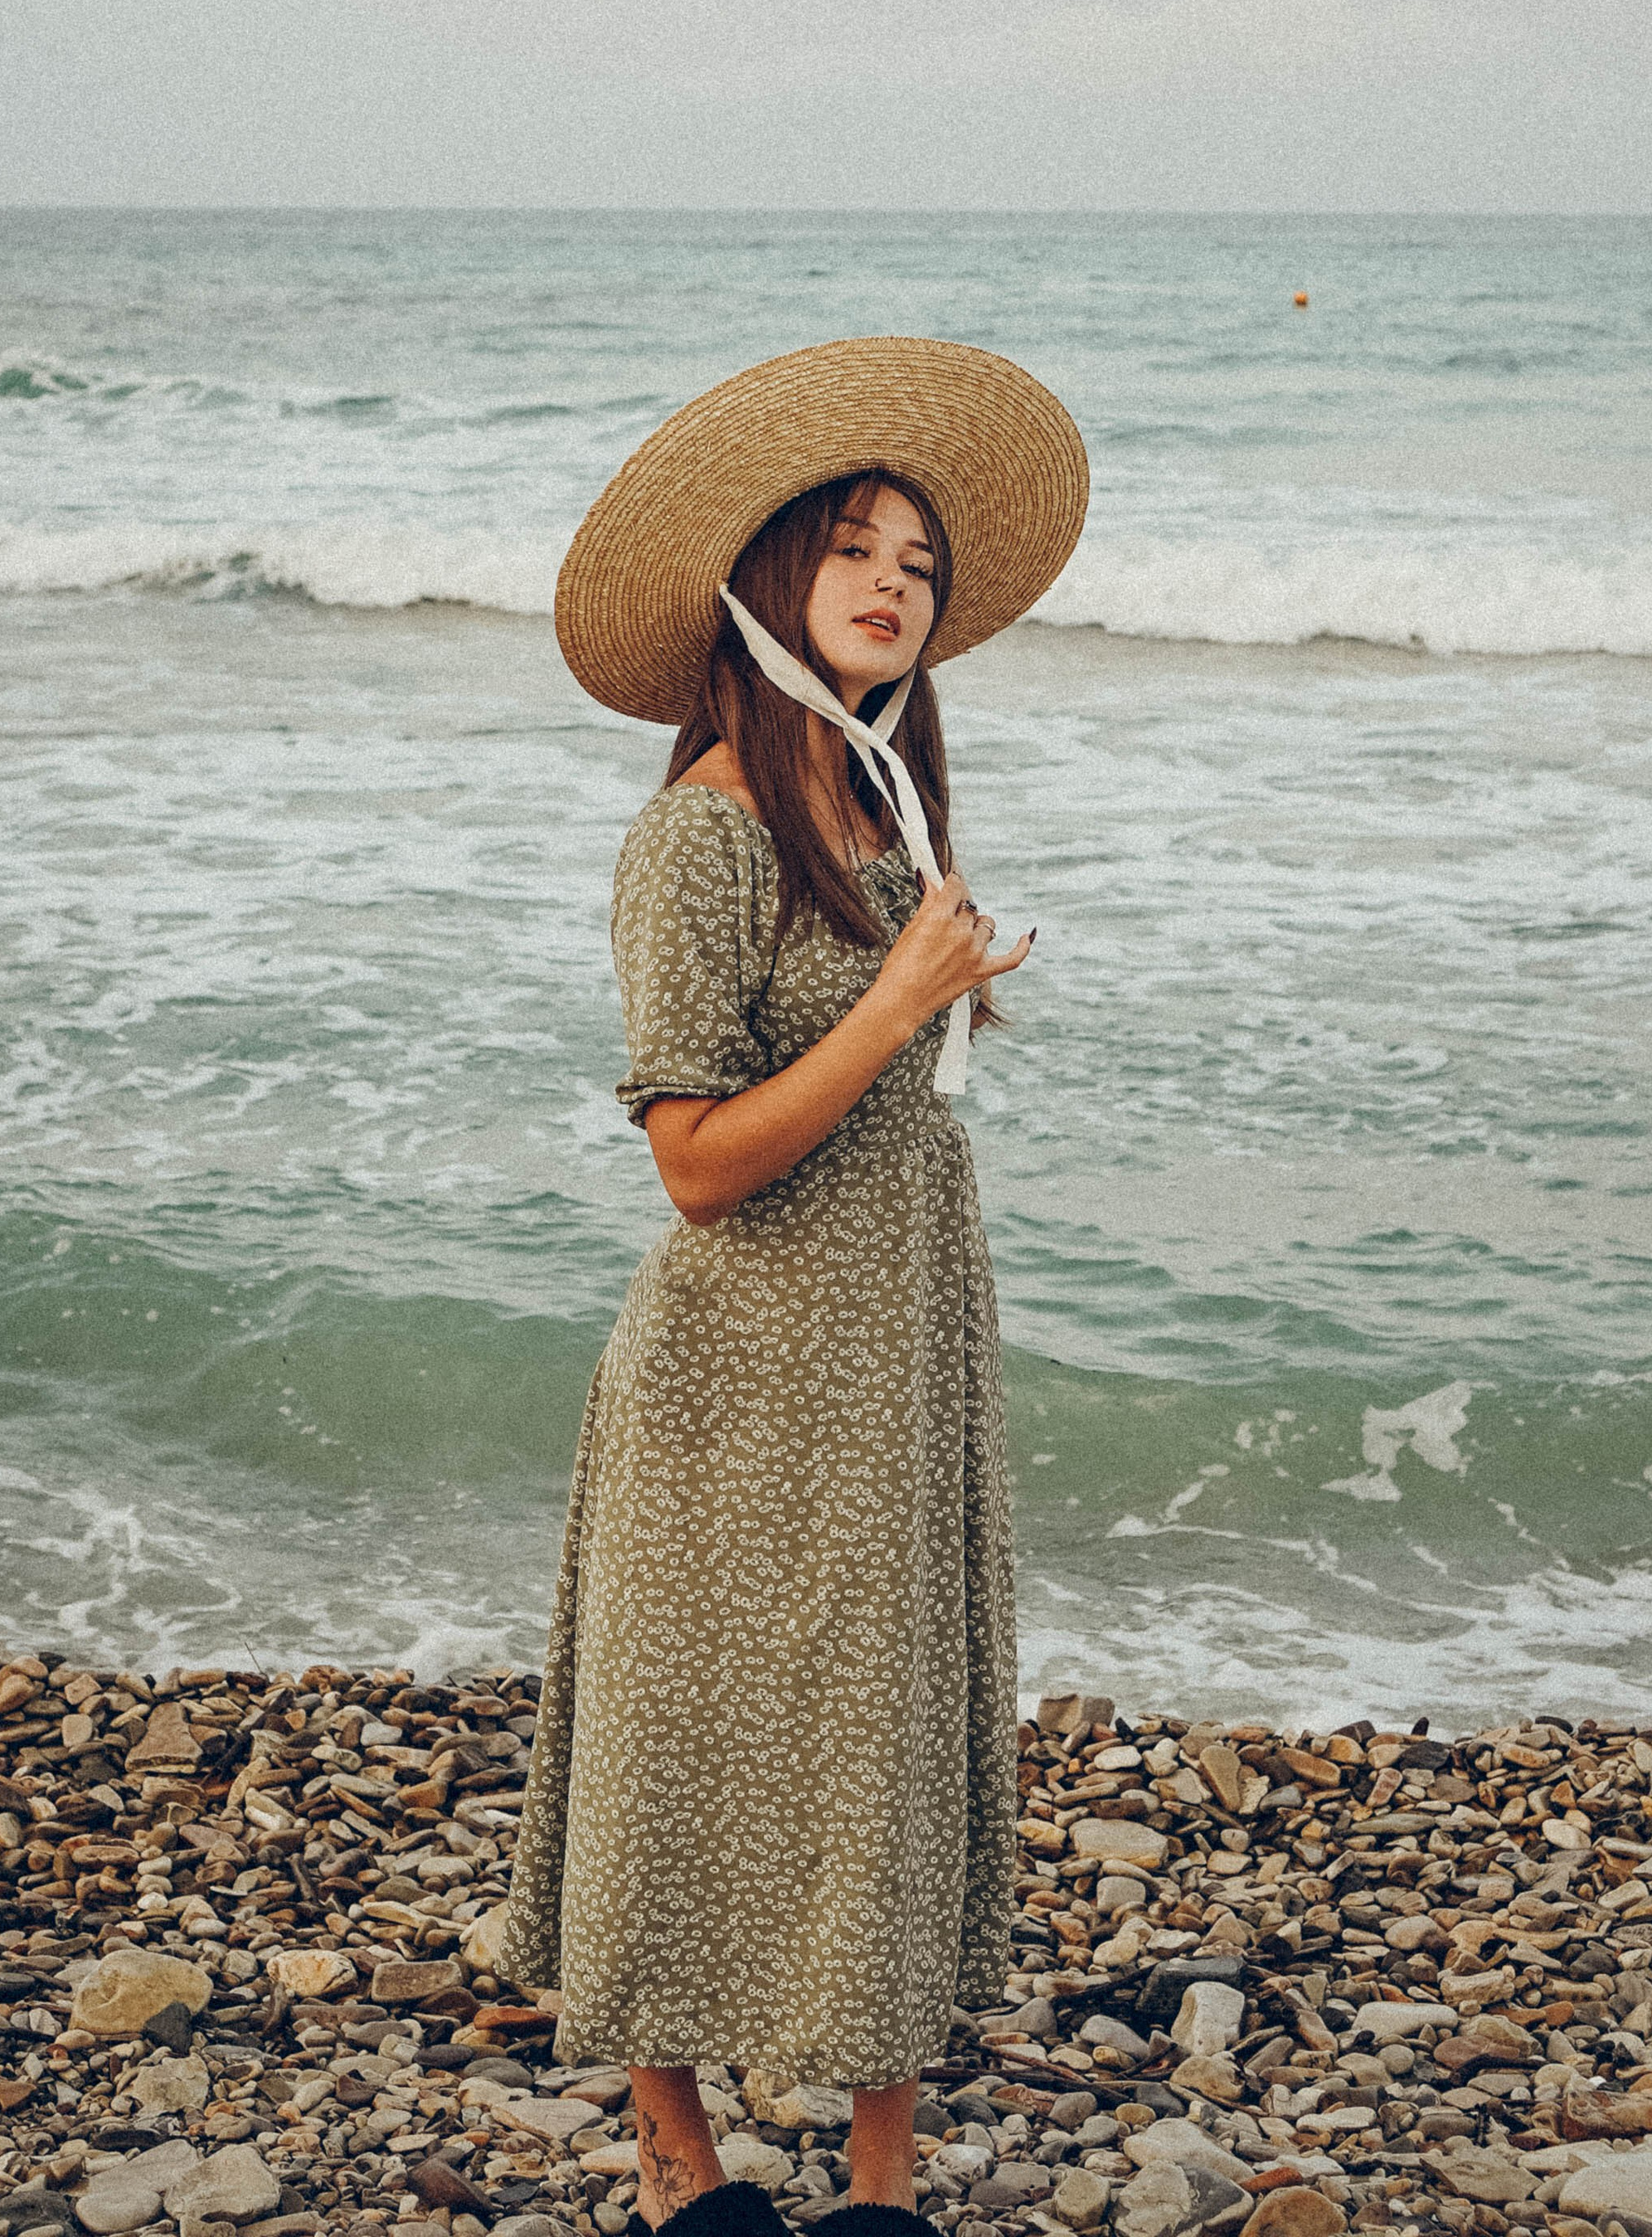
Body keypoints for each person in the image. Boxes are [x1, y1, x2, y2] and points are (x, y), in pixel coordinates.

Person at [498, 337, 1089, 2237]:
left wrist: (936, 979)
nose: (895, 580)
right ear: (767, 580)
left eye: (917, 559)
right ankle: (680, 2165)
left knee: (886, 1735)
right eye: (853, 545)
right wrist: (903, 1006)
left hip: (896, 1355)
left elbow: (899, 1105)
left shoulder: (881, 820)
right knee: (678, 1737)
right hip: (736, 1368)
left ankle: (877, 2184)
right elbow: (691, 1166)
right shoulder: (700, 833)